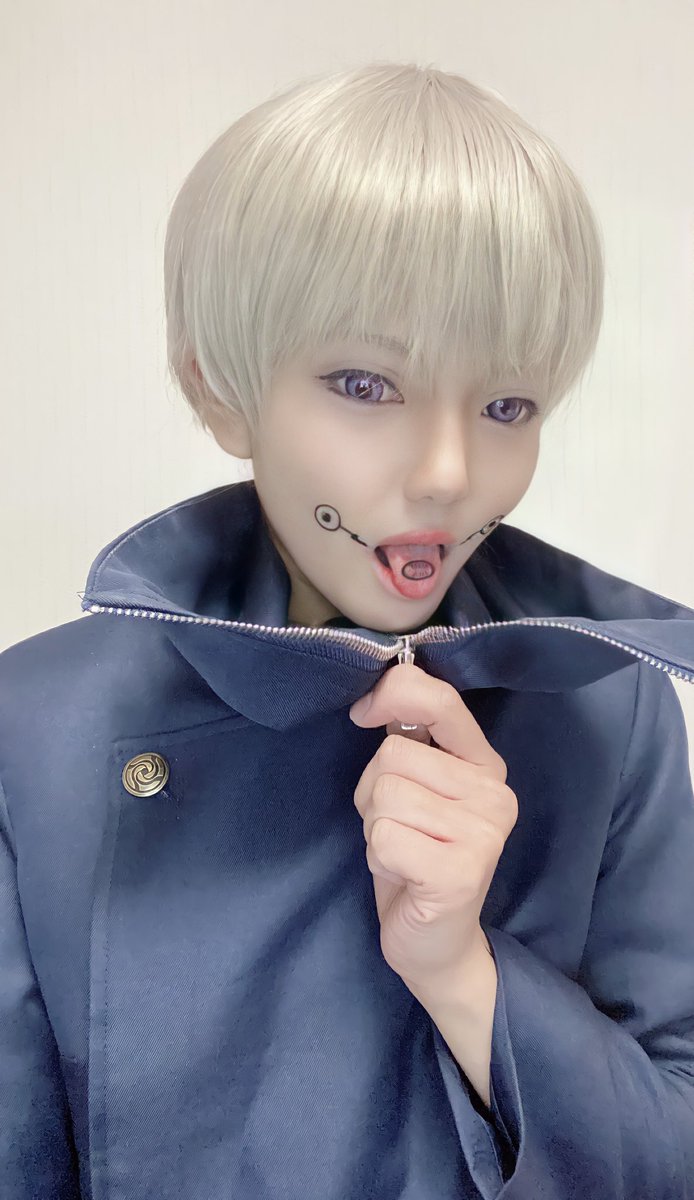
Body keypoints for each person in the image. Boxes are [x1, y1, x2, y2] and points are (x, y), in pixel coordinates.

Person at [1, 61, 693, 1200]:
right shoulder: (34, 727)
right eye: (367, 385)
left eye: (507, 404)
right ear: (219, 389)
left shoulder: (609, 705)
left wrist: (466, 976)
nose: (448, 474)